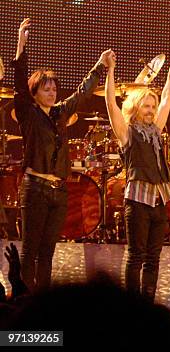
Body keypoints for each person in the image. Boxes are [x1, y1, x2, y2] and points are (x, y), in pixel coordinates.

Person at [11, 18, 112, 291]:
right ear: (35, 93)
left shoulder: (60, 113)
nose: (52, 92)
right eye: (46, 88)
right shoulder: (27, 113)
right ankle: (25, 303)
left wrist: (100, 65)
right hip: (35, 188)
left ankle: (41, 303)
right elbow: (20, 83)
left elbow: (81, 93)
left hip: (58, 190)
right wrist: (21, 43)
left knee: (48, 252)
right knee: (30, 251)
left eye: (54, 88)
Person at [104, 51, 170, 301]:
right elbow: (110, 105)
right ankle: (131, 305)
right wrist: (110, 71)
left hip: (159, 200)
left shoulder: (156, 131)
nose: (151, 110)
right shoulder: (127, 133)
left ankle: (147, 303)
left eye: (152, 106)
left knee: (153, 257)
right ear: (136, 108)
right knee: (136, 255)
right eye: (146, 106)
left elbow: (167, 101)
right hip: (137, 200)